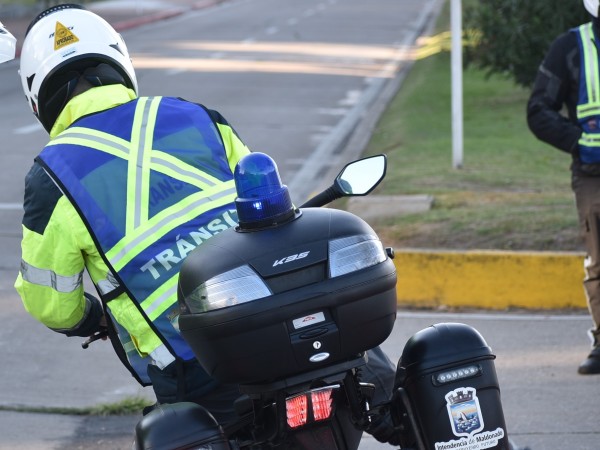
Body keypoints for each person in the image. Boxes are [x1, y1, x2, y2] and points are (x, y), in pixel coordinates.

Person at [14, 2, 398, 436]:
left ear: (36, 96)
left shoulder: (51, 178)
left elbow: (49, 301)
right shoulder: (197, 116)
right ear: (119, 60)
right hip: (280, 315)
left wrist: (91, 318)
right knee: (386, 396)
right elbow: (266, 211)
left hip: (199, 361)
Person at [527, 0, 600, 375]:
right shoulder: (571, 48)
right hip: (593, 175)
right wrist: (578, 140)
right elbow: (539, 110)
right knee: (599, 260)